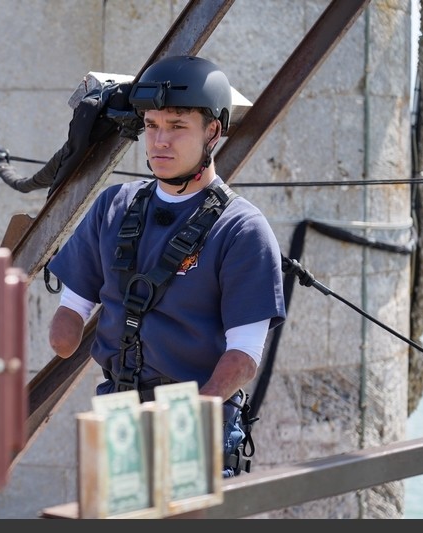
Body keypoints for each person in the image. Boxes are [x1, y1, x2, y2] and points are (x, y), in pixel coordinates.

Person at [47, 55, 286, 477]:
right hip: (118, 412)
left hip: (194, 416)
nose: (159, 141)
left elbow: (244, 357)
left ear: (212, 132)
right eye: (152, 125)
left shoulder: (242, 229)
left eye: (177, 127)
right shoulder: (113, 206)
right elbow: (67, 331)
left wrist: (196, 415)